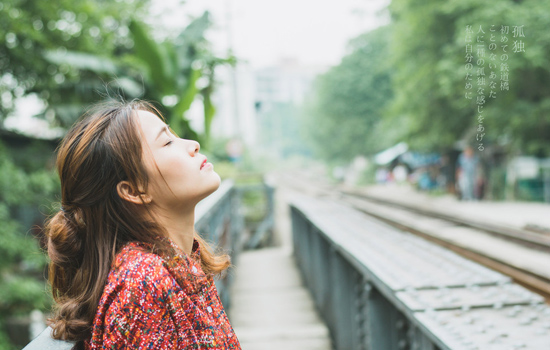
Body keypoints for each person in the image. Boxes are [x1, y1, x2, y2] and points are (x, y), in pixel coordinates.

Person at [45, 100, 242, 349]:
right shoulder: (144, 284)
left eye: (174, 135)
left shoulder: (178, 263)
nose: (193, 145)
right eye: (168, 142)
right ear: (134, 190)